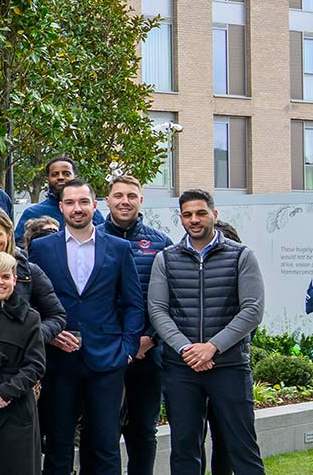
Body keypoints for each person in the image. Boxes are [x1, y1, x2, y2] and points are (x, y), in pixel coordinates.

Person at [30, 178, 145, 475]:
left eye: (83, 202)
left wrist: (128, 349)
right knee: (58, 444)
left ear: (95, 205)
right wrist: (49, 335)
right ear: (61, 207)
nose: (77, 208)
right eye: (70, 203)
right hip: (58, 361)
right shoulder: (41, 248)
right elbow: (31, 303)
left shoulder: (118, 248)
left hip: (106, 360)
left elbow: (133, 302)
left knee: (105, 445)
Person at [147, 189, 266, 475]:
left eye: (201, 213)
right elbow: (158, 310)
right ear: (181, 219)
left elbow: (252, 309)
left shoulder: (241, 256)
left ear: (214, 214)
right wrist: (187, 349)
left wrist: (212, 347)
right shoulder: (166, 258)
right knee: (184, 449)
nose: (194, 220)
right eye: (187, 215)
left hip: (229, 366)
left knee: (242, 448)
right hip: (182, 368)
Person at [105, 174, 174, 475]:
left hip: (149, 353)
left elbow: (172, 299)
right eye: (118, 195)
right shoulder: (93, 238)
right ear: (107, 200)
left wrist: (150, 339)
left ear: (141, 200)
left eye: (131, 195)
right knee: (104, 431)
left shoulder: (160, 243)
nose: (125, 201)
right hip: (105, 353)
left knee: (143, 431)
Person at [0, 251, 46, 475]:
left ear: (15, 279)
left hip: (17, 406)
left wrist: (7, 391)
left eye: (5, 276)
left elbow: (36, 364)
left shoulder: (30, 318)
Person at [0, 209, 68, 342]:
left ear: (9, 235)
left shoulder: (30, 272)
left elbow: (56, 315)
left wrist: (33, 336)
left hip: (23, 357)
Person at [17, 156, 77, 230]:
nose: (60, 177)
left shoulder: (88, 212)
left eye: (66, 174)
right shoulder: (33, 214)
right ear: (47, 179)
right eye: (55, 174)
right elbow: (20, 241)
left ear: (75, 178)